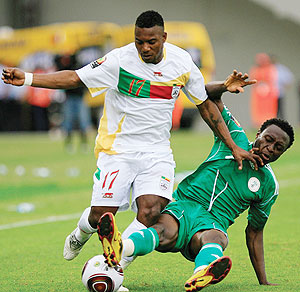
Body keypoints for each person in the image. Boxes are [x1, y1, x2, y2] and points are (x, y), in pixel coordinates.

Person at [2, 10, 261, 280]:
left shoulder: (182, 62)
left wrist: (232, 145)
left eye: (151, 42)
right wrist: (29, 79)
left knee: (152, 212)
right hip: (118, 150)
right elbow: (76, 78)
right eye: (139, 41)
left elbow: (204, 104)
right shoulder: (119, 61)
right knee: (101, 216)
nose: (144, 48)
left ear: (164, 37)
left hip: (157, 152)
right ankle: (81, 234)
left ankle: (112, 267)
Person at [97, 73, 294, 291]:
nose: (270, 149)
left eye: (278, 148)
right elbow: (203, 96)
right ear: (259, 133)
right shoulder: (234, 137)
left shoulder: (268, 186)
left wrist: (263, 280)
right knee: (164, 231)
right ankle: (121, 246)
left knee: (216, 238)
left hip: (213, 222)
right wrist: (224, 86)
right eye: (268, 140)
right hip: (185, 205)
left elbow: (255, 232)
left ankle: (202, 273)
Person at [55, 53, 91, 153]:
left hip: (79, 98)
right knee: (68, 122)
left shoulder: (78, 65)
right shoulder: (64, 66)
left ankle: (84, 143)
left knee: (83, 122)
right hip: (69, 98)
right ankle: (69, 143)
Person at [249, 53, 278, 127]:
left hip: (269, 94)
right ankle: (258, 123)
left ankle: (269, 122)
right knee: (259, 109)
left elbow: (273, 80)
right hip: (258, 95)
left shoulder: (271, 69)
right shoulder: (255, 70)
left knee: (268, 108)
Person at [270, 55, 294, 120]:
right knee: (270, 110)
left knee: (280, 110)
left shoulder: (281, 69)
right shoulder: (266, 69)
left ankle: (281, 123)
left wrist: (285, 86)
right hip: (268, 95)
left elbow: (289, 79)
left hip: (279, 93)